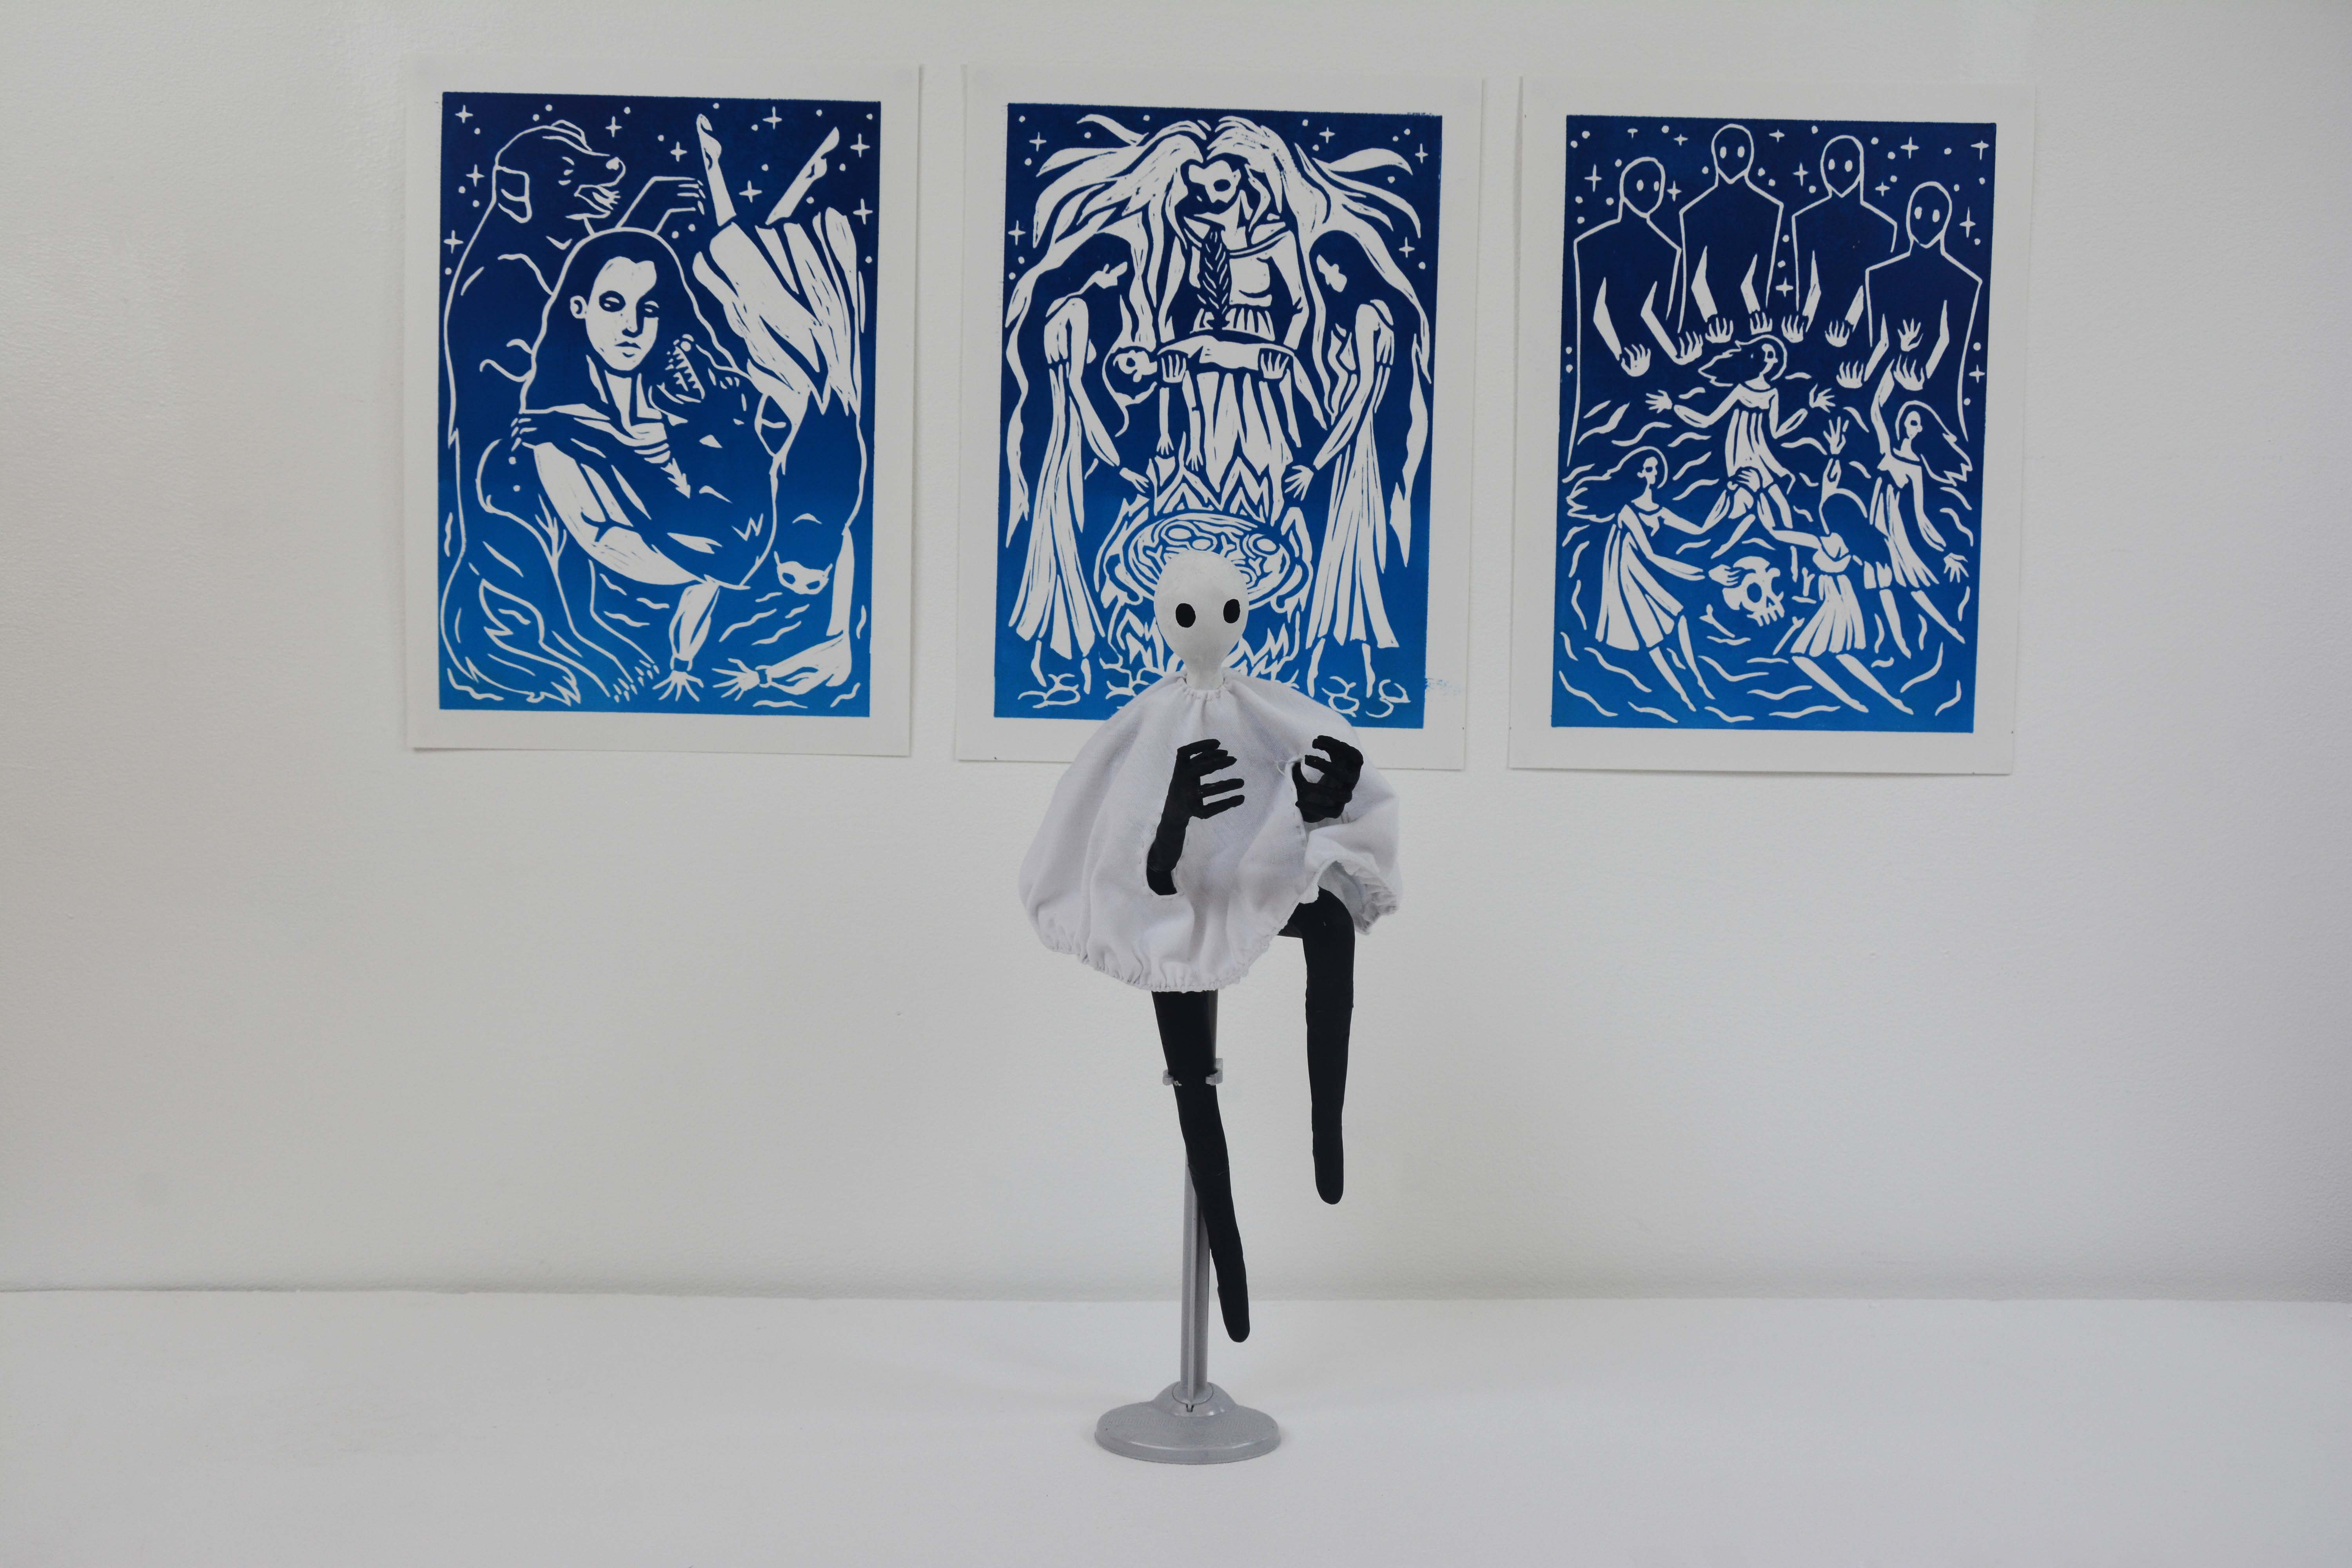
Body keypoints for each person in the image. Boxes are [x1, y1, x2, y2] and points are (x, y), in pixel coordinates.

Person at [506, 228, 778, 701]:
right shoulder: (560, 431)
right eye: (613, 304)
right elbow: (618, 540)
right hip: (693, 552)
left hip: (726, 541)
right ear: (579, 308)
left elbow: (720, 544)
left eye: (648, 309)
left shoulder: (688, 409)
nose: (632, 326)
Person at [1296, 232, 1412, 703]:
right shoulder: (1375, 313)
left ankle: (1327, 662)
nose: (1325, 278)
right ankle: (1356, 666)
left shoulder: (1367, 314)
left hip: (1356, 448)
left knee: (1349, 549)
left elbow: (1362, 398)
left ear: (1347, 262)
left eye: (1328, 267)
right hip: (1355, 447)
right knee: (1349, 551)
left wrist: (1316, 463)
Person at [1753, 418, 1911, 713]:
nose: (1822, 512)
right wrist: (1835, 454)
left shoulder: (1822, 541)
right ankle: (1889, 700)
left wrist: (1761, 494)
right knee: (1842, 655)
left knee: (1801, 655)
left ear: (1833, 518)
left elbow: (1776, 532)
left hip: (1834, 603)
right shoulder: (1851, 542)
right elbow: (1829, 492)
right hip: (1844, 600)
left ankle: (1852, 701)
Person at [1646, 334, 1831, 558]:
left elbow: (1777, 433)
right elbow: (1708, 421)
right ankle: (1707, 546)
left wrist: (1808, 409)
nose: (1769, 360)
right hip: (1742, 461)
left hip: (1761, 458)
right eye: (1765, 354)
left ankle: (1794, 560)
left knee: (1784, 509)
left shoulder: (1773, 393)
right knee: (1744, 511)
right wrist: (1674, 406)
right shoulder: (1741, 389)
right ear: (1756, 358)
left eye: (1772, 356)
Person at [1568, 157, 1694, 461]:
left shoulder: (1668, 251)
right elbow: (1595, 311)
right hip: (1607, 365)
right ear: (1625, 188)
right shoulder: (1592, 243)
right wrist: (1620, 354)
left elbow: (1651, 313)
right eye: (1641, 184)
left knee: (1647, 438)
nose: (1649, 192)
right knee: (1599, 440)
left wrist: (1676, 353)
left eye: (1656, 186)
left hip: (1648, 368)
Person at [1860, 358, 1971, 653]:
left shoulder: (1916, 468)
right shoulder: (1887, 450)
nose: (1912, 427)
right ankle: (1899, 646)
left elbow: (1920, 516)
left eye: (1917, 424)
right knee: (1881, 589)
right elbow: (1875, 410)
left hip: (1895, 534)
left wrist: (1945, 551)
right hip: (1874, 531)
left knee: (1912, 588)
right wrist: (1891, 368)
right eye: (1909, 421)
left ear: (1922, 430)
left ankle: (1949, 631)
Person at [1591, 447, 1713, 710]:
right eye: (1649, 469)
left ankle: (1698, 679)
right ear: (1638, 473)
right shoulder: (1628, 511)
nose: (1655, 473)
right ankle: (1684, 696)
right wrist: (1693, 572)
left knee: (1679, 617)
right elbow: (1650, 555)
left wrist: (1728, 505)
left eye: (1656, 468)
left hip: (1640, 571)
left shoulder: (1658, 509)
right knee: (1652, 640)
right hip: (1626, 578)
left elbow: (1699, 531)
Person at [1863, 180, 1984, 439]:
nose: (1925, 222)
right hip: (1884, 401)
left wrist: (1925, 377)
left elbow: (1952, 347)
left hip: (1934, 413)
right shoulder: (1880, 277)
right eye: (1918, 213)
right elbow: (1880, 343)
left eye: (1935, 216)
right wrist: (1864, 376)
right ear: (1908, 215)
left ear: (1945, 221)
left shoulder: (1964, 283)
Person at [1676, 124, 1786, 338]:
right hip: (1708, 324)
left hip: (1752, 324)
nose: (1732, 159)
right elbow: (1694, 279)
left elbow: (1760, 277)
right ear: (1716, 155)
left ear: (1750, 155)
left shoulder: (1769, 209)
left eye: (1740, 152)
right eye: (1725, 151)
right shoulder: (1695, 212)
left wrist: (1756, 312)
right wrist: (1711, 317)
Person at [1786, 135, 1897, 345]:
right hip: (1816, 328)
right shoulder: (1805, 220)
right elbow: (1809, 284)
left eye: (1847, 165)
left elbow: (1873, 286)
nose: (1838, 172)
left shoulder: (1883, 225)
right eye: (1831, 165)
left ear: (1859, 168)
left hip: (1862, 330)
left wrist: (1850, 323)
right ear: (1823, 169)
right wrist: (1803, 323)